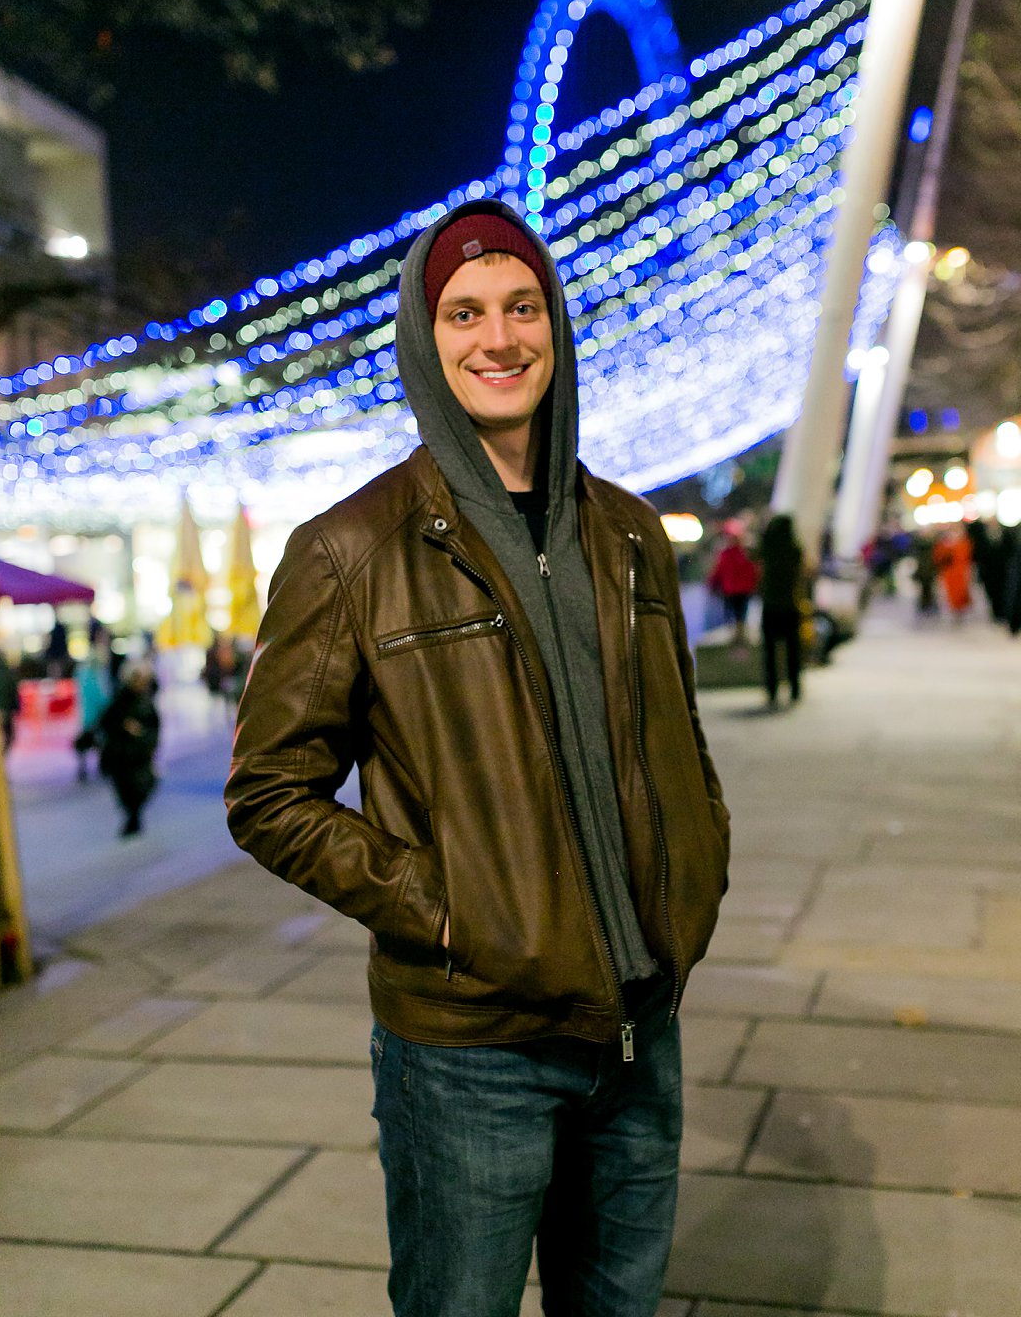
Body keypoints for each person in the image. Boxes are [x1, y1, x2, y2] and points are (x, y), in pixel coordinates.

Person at [226, 201, 729, 1317]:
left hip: (642, 1027)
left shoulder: (630, 532)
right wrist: (450, 910)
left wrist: (692, 880)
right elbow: (267, 794)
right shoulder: (348, 551)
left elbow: (677, 745)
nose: (496, 339)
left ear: (553, 322)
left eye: (519, 306)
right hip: (469, 1050)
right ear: (423, 336)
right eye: (462, 313)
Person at [99, 660, 161, 837]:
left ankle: (134, 817)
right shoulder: (120, 700)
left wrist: (142, 736)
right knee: (125, 790)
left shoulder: (146, 703)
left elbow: (154, 729)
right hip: (122, 756)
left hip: (139, 757)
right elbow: (106, 721)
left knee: (140, 788)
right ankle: (132, 818)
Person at [757, 514, 805, 711]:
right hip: (790, 605)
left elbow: (756, 552)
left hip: (771, 606)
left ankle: (772, 689)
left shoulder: (768, 548)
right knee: (793, 650)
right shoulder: (794, 549)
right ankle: (795, 688)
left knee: (770, 652)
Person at [72, 627, 115, 781]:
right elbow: (97, 687)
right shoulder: (97, 659)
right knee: (96, 737)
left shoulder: (87, 661)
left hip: (87, 708)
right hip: (94, 708)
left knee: (90, 737)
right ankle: (97, 766)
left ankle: (87, 767)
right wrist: (106, 703)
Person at [706, 526, 759, 647]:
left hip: (730, 590)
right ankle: (739, 634)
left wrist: (712, 585)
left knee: (730, 612)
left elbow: (718, 571)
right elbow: (752, 571)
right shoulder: (744, 554)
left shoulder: (725, 555)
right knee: (741, 613)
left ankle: (734, 635)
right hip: (743, 590)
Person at [935, 526, 974, 619]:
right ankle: (954, 608)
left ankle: (960, 607)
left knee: (961, 591)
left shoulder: (964, 543)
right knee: (951, 591)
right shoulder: (944, 544)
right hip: (949, 572)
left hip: (961, 570)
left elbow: (968, 556)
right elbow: (939, 557)